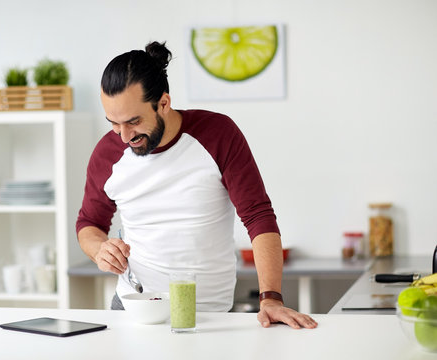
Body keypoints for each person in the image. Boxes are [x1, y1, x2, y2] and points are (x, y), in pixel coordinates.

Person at [76, 41, 317, 329]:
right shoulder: (107, 153)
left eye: (134, 121)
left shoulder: (218, 134)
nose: (124, 135)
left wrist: (271, 299)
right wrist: (100, 249)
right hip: (134, 307)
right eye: (114, 123)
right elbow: (89, 224)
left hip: (208, 313)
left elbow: (258, 216)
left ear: (163, 103)